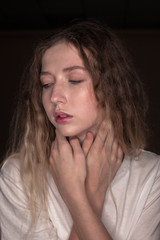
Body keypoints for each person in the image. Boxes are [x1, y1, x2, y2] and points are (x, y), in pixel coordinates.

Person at [0, 20, 160, 240]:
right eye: (46, 84)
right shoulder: (18, 175)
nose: (55, 97)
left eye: (74, 79)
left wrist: (77, 196)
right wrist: (91, 193)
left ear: (111, 87)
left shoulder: (151, 174)